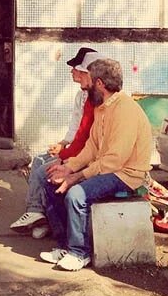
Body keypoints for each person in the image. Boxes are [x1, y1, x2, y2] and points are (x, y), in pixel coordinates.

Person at [40, 57, 153, 271]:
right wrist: (68, 167)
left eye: (90, 81)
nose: (87, 86)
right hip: (107, 168)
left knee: (76, 194)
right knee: (52, 182)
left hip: (126, 174)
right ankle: (64, 246)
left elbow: (115, 160)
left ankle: (79, 253)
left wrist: (77, 177)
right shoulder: (102, 108)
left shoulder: (124, 109)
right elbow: (91, 147)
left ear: (100, 83)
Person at [10, 47, 105, 239]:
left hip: (90, 156)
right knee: (39, 160)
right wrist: (62, 145)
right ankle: (40, 217)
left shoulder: (98, 99)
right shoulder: (83, 96)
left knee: (43, 172)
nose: (72, 72)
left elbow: (87, 137)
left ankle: (40, 215)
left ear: (88, 73)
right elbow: (76, 129)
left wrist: (64, 157)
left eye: (76, 69)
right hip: (79, 150)